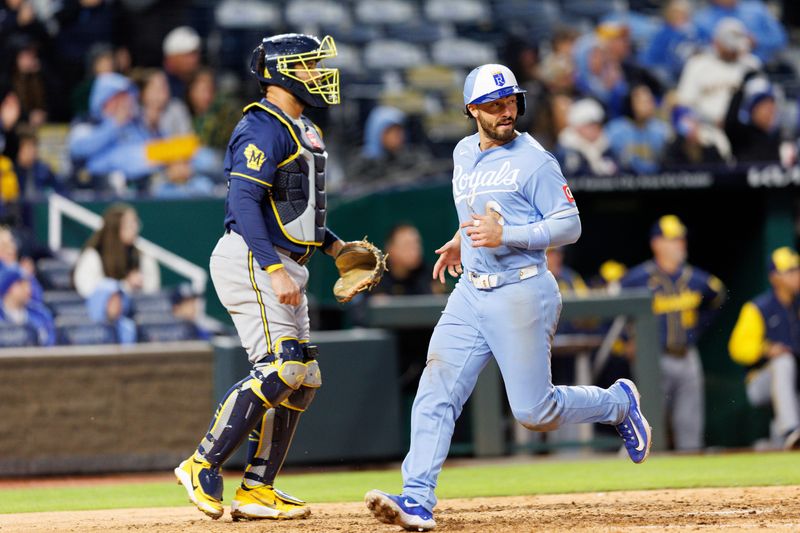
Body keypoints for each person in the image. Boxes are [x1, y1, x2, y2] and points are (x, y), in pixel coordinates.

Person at [365, 63, 652, 532]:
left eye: (511, 101)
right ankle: (417, 499)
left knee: (534, 412)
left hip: (521, 288)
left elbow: (570, 225)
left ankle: (618, 404)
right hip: (470, 294)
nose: (506, 111)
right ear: (471, 110)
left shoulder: (534, 159)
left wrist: (508, 235)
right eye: (495, 104)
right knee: (435, 391)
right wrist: (463, 237)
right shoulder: (462, 152)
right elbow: (479, 211)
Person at [174, 33, 349, 522]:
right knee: (282, 369)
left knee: (304, 379)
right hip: (254, 258)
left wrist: (335, 248)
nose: (318, 74)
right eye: (310, 65)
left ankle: (256, 490)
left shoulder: (302, 127)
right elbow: (243, 204)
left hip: (286, 260)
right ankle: (201, 462)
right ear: (283, 70)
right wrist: (273, 267)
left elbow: (295, 205)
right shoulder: (262, 125)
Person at [620, 215, 726, 451]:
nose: (680, 244)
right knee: (648, 420)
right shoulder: (637, 278)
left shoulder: (697, 279)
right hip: (652, 358)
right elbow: (613, 314)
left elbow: (718, 298)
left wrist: (697, 329)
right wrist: (627, 340)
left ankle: (688, 478)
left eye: (681, 239)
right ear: (656, 243)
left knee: (690, 423)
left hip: (687, 355)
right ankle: (639, 473)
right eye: (672, 239)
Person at [728, 247, 800, 450]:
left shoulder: (797, 305)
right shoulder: (759, 307)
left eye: (797, 269)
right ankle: (789, 428)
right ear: (774, 277)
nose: (797, 275)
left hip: (793, 382)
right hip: (761, 381)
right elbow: (737, 348)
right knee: (783, 362)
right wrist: (766, 349)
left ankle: (782, 438)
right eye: (790, 271)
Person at [675, 17, 760, 127]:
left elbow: (761, 104)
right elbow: (684, 103)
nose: (732, 49)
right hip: (704, 126)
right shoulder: (698, 63)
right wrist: (706, 120)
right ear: (716, 41)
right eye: (728, 43)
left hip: (741, 130)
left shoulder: (752, 65)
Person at [73, 203, 160, 298]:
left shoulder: (142, 255)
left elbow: (152, 289)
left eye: (136, 223)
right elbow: (87, 290)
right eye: (129, 224)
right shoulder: (93, 255)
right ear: (115, 228)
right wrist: (124, 286)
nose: (135, 228)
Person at [693, 0, 787, 64]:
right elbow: (696, 50)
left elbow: (781, 39)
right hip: (717, 71)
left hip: (760, 67)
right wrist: (719, 48)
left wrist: (757, 41)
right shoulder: (701, 19)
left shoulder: (757, 10)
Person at [605, 84, 670, 175]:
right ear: (631, 103)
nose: (649, 106)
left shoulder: (661, 130)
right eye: (644, 102)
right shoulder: (614, 130)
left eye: (650, 101)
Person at [724, 75, 781, 165]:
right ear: (754, 110)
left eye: (772, 109)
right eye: (766, 108)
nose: (771, 113)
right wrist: (740, 90)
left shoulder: (777, 137)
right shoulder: (742, 135)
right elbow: (730, 121)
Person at [556, 98, 617, 177]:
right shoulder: (566, 151)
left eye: (597, 125)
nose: (595, 129)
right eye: (589, 125)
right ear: (577, 127)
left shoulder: (607, 149)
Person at [372, 223, 434, 297]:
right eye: (407, 245)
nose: (415, 249)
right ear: (390, 249)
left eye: (417, 243)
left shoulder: (428, 273)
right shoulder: (375, 277)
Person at [0, 266, 54, 345]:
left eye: (28, 285)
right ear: (8, 287)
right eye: (22, 285)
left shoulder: (40, 315)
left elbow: (49, 344)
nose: (28, 290)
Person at [86, 278, 136, 344]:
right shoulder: (89, 332)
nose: (118, 305)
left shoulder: (129, 329)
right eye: (113, 301)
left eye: (120, 299)